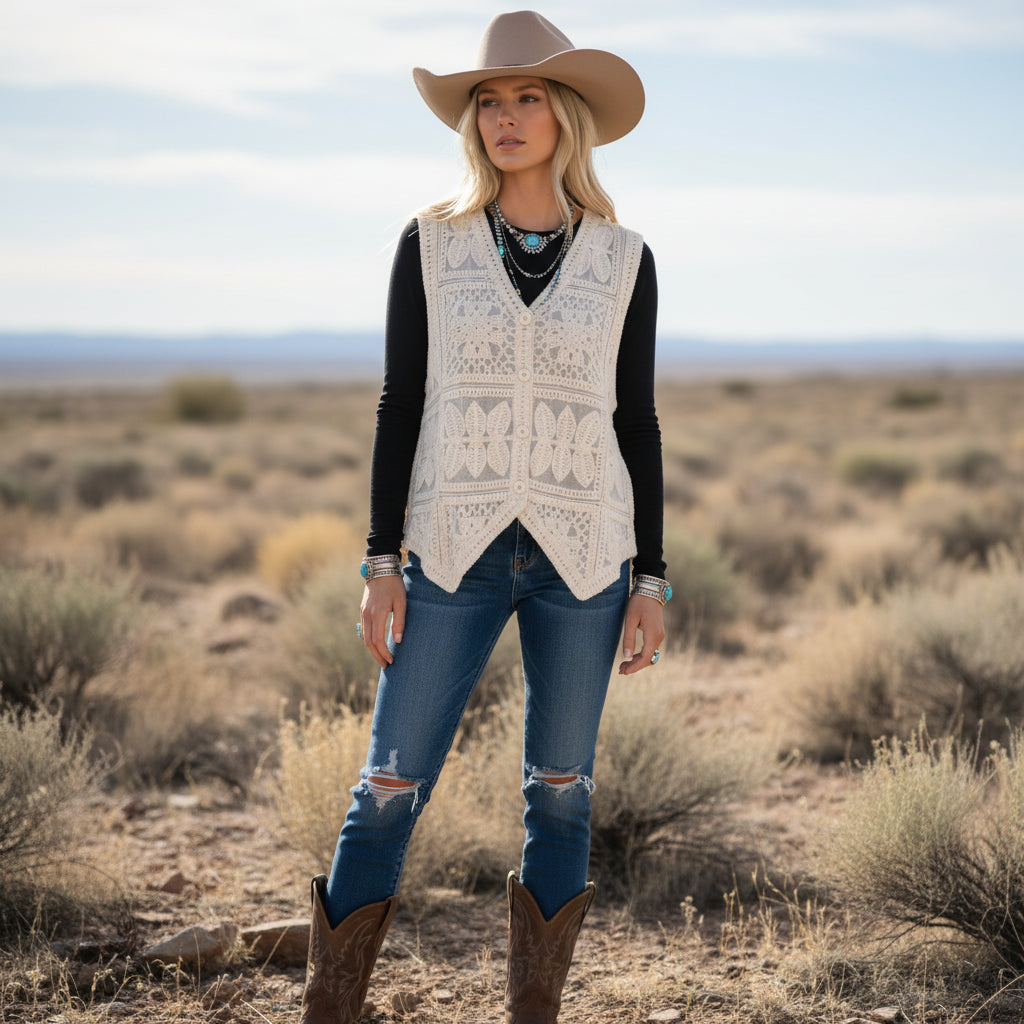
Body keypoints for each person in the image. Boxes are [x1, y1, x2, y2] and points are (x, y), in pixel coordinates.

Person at [299, 11, 671, 1024]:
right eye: (489, 102)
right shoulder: (431, 245)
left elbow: (635, 421)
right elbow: (400, 404)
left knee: (561, 790)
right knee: (388, 784)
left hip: (585, 556)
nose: (505, 118)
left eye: (527, 98)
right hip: (450, 551)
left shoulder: (625, 259)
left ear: (566, 116)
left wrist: (650, 578)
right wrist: (381, 561)